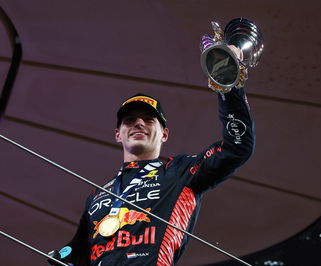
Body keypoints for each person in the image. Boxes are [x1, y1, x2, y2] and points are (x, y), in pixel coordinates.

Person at [48, 85, 255, 265]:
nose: (138, 123)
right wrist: (65, 255)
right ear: (118, 134)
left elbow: (236, 148)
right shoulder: (97, 195)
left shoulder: (179, 173)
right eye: (129, 120)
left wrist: (229, 88)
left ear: (164, 134)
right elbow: (80, 250)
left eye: (148, 119)